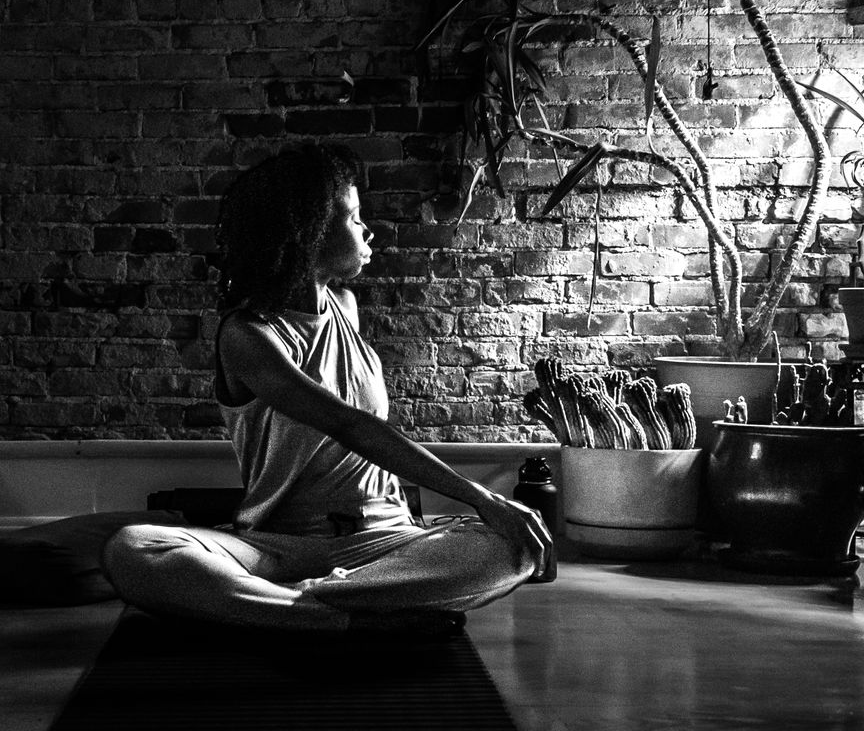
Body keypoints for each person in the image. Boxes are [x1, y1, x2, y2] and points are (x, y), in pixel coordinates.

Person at [102, 143, 555, 635]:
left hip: (386, 540)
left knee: (510, 547)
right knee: (134, 548)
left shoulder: (346, 307)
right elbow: (348, 424)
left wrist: (494, 518)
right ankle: (345, 618)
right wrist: (481, 496)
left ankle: (295, 613)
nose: (367, 230)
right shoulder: (248, 336)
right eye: (355, 217)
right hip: (278, 546)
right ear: (308, 232)